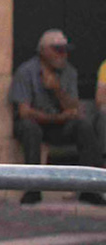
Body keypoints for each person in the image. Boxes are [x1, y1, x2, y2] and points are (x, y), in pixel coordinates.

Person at [10, 28, 104, 206]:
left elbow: (73, 108)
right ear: (43, 51)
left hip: (58, 126)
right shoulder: (26, 72)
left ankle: (90, 189)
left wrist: (57, 89)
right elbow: (24, 112)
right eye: (58, 50)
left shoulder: (69, 72)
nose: (63, 54)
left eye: (65, 50)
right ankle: (32, 189)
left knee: (84, 126)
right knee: (30, 128)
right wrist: (58, 118)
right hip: (34, 125)